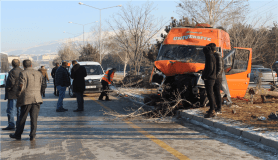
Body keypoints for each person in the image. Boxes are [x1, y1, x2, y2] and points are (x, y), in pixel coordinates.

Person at [9, 60, 43, 141]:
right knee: (34, 118)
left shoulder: (23, 73)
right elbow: (42, 84)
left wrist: (18, 94)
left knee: (22, 118)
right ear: (31, 65)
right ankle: (32, 135)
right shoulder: (39, 73)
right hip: (37, 98)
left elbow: (21, 86)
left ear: (23, 66)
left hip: (26, 99)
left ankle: (18, 135)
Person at [2, 59, 23, 130]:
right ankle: (19, 124)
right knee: (19, 110)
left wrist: (7, 89)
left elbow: (11, 82)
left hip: (12, 93)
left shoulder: (12, 72)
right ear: (19, 64)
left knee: (11, 110)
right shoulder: (22, 71)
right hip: (21, 93)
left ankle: (11, 125)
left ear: (12, 64)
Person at [208, 43, 223, 114]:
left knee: (217, 93)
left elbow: (220, 68)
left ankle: (219, 108)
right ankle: (213, 107)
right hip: (214, 77)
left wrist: (215, 76)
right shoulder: (212, 55)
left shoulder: (218, 55)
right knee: (213, 93)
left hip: (217, 77)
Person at [201, 46, 217, 118]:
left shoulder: (209, 57)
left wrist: (206, 76)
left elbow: (210, 68)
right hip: (212, 77)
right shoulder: (212, 56)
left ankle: (212, 110)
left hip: (209, 78)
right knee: (211, 94)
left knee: (210, 94)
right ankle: (212, 109)